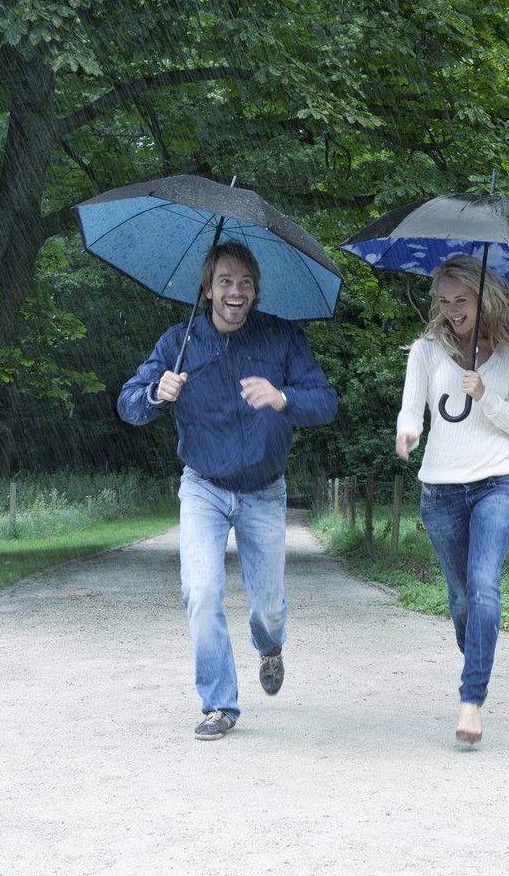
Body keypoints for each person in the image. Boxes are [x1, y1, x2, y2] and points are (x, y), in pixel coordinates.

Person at [118, 241, 338, 740]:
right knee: (200, 591)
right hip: (204, 488)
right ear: (207, 288)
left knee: (269, 608)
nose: (234, 291)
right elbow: (128, 403)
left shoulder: (283, 337)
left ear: (256, 291)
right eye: (225, 281)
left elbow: (325, 402)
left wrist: (283, 397)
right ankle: (219, 704)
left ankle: (270, 644)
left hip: (264, 488)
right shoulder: (180, 343)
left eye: (245, 282)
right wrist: (156, 394)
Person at [394, 254, 509, 745]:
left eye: (461, 300)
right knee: (463, 600)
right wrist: (408, 433)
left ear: (486, 298)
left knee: (484, 588)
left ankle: (471, 700)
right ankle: (479, 653)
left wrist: (484, 394)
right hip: (440, 491)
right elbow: (411, 409)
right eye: (444, 301)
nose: (452, 310)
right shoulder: (425, 350)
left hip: (497, 483)